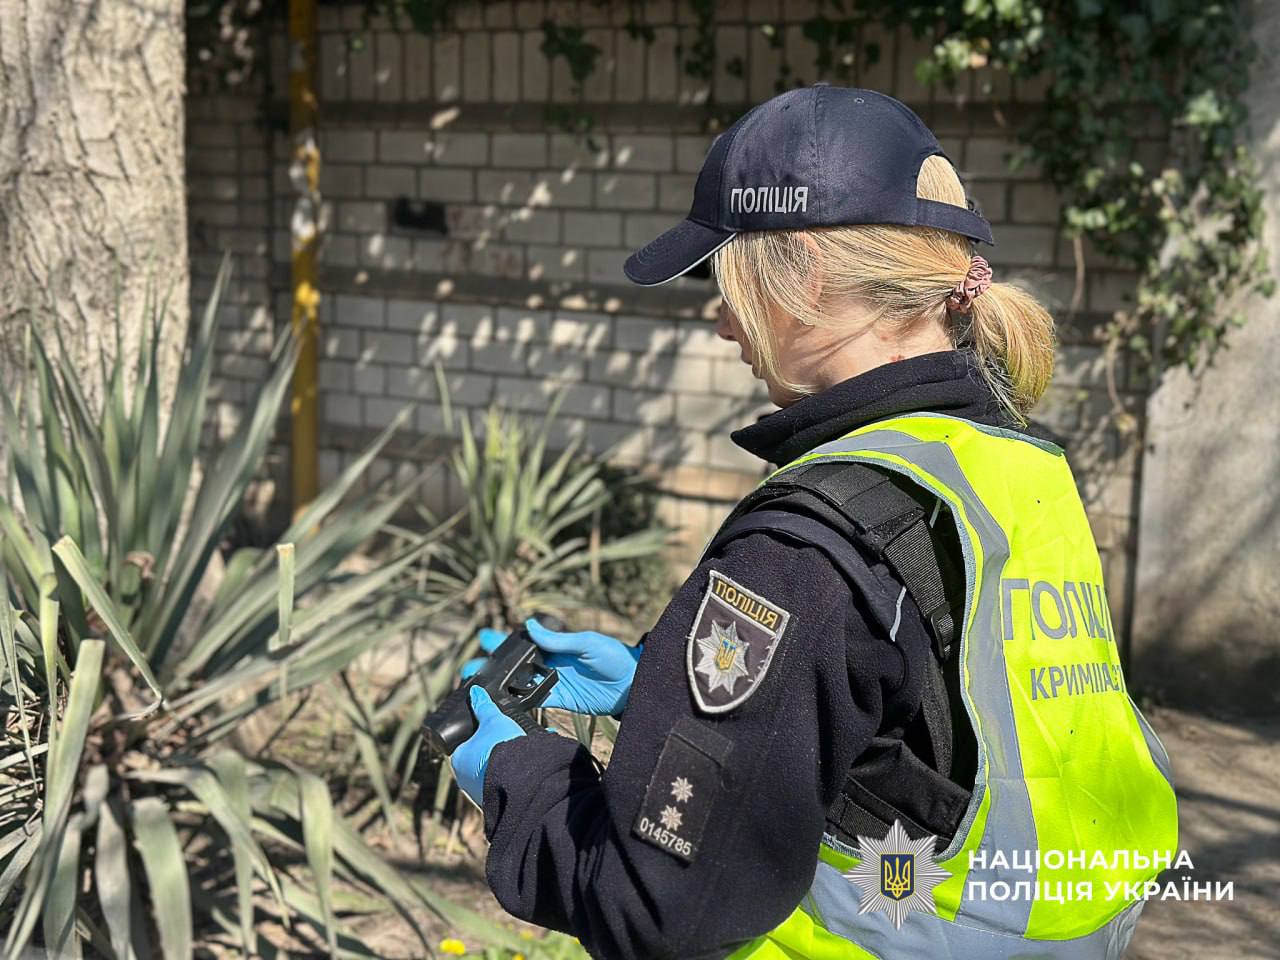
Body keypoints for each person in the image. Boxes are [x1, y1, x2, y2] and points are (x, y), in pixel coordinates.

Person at [445, 85, 1179, 959]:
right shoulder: (1012, 463)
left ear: (805, 272)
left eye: (726, 282)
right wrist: (660, 689)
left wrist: (514, 774)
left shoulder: (804, 547)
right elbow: (929, 735)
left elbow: (656, 912)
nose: (724, 323)